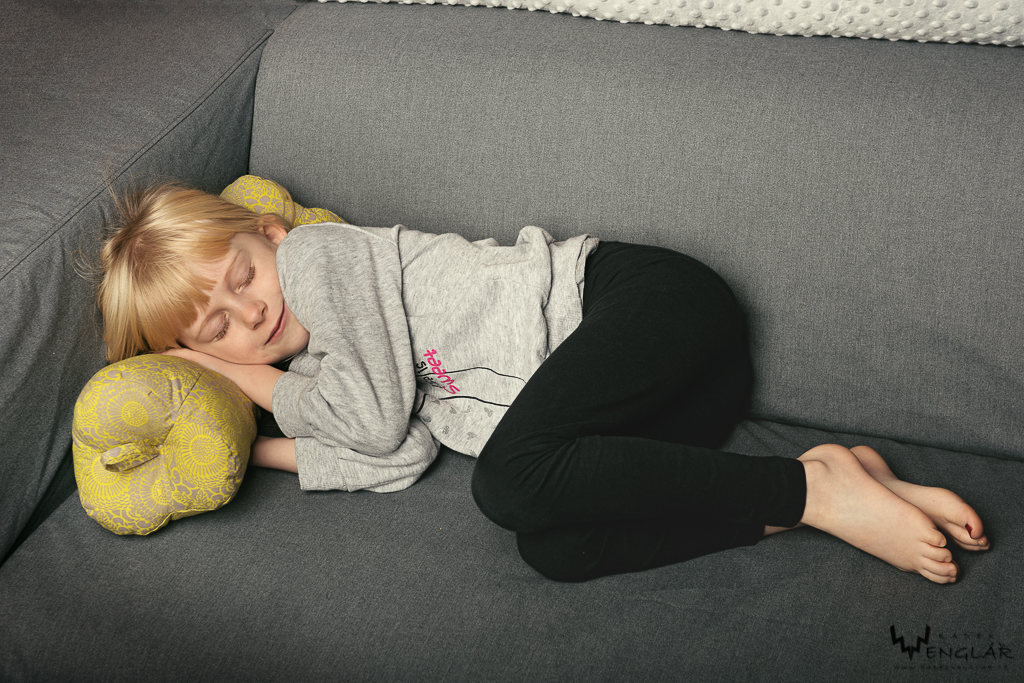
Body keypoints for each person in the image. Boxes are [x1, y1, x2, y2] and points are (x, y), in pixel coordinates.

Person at [98, 181, 990, 583]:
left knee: (506, 483)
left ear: (270, 234)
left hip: (649, 306)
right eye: (216, 328)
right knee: (555, 548)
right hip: (673, 410)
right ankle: (823, 483)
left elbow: (368, 425)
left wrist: (237, 374)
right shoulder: (328, 372)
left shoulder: (323, 260)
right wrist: (247, 450)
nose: (250, 314)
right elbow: (396, 453)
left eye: (243, 278)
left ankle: (811, 492)